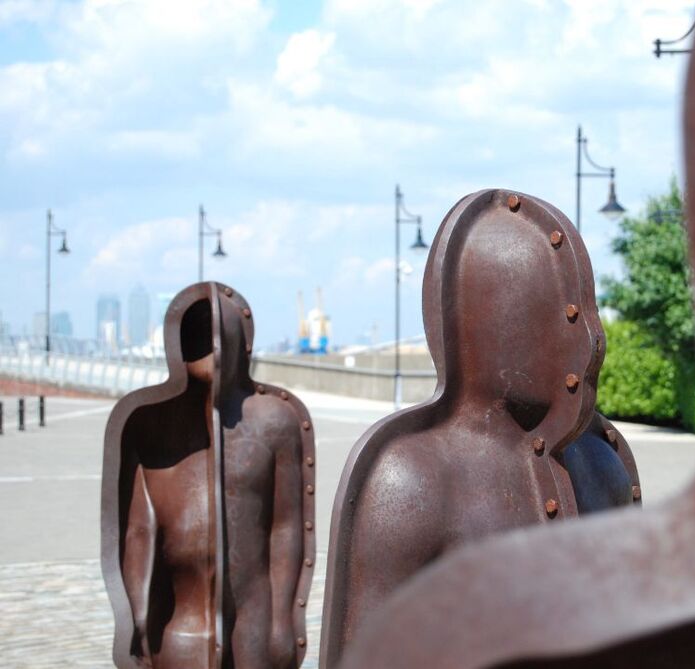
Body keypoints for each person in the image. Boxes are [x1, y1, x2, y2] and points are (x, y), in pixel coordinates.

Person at [319, 190, 641, 667]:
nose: (591, 339)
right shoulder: (413, 478)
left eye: (582, 313)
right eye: (563, 315)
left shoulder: (600, 460)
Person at [101, 283, 316, 669]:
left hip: (252, 623)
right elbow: (137, 531)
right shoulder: (147, 425)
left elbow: (286, 528)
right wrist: (136, 618)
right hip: (177, 627)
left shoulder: (274, 421)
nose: (212, 353)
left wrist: (284, 620)